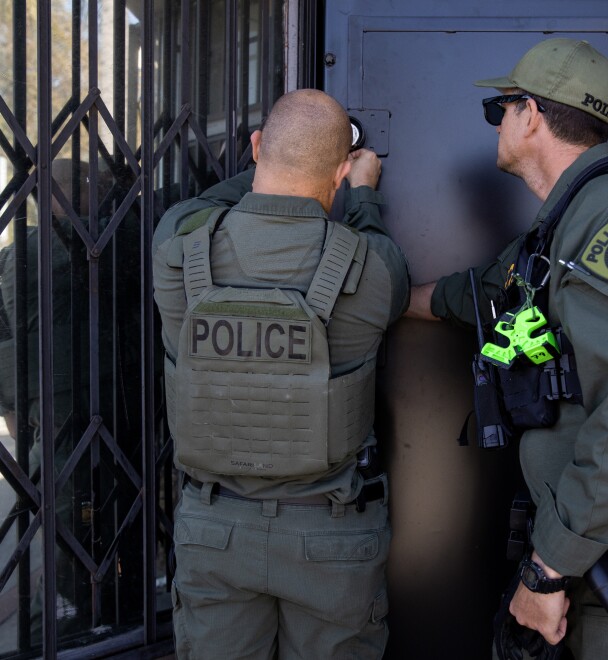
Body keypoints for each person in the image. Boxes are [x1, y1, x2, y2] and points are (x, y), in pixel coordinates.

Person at [406, 39, 608, 658]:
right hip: (603, 555)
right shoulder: (564, 222)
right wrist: (383, 294)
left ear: (530, 114)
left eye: (498, 109)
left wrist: (547, 568)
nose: (497, 124)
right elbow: (481, 294)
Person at [153, 89, 409, 659]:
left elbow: (200, 206)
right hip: (330, 538)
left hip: (213, 530)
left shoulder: (177, 246)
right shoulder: (373, 270)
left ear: (256, 147)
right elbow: (377, 245)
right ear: (341, 169)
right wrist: (364, 192)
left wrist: (274, 160)